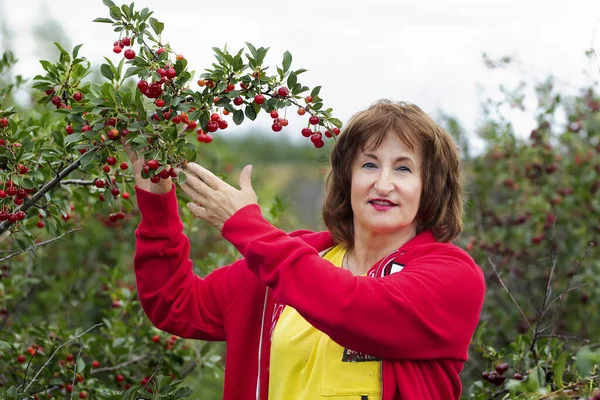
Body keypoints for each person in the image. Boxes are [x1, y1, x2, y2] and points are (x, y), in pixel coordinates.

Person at [127, 99, 486, 400]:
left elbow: (352, 308)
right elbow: (175, 302)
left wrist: (248, 228)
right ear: (348, 179)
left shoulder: (453, 276)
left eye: (404, 168)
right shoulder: (293, 259)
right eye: (369, 164)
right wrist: (155, 200)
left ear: (432, 187)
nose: (383, 183)